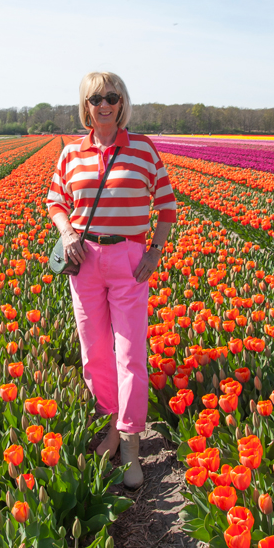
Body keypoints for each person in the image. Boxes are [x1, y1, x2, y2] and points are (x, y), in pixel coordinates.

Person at [46, 72, 176, 488]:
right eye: (96, 98)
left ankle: (131, 443)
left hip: (129, 260)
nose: (104, 104)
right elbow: (56, 201)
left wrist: (154, 252)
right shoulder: (71, 154)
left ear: (122, 103)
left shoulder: (142, 148)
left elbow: (168, 206)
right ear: (85, 104)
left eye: (112, 97)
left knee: (130, 354)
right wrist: (67, 234)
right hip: (85, 260)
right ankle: (111, 428)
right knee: (95, 354)